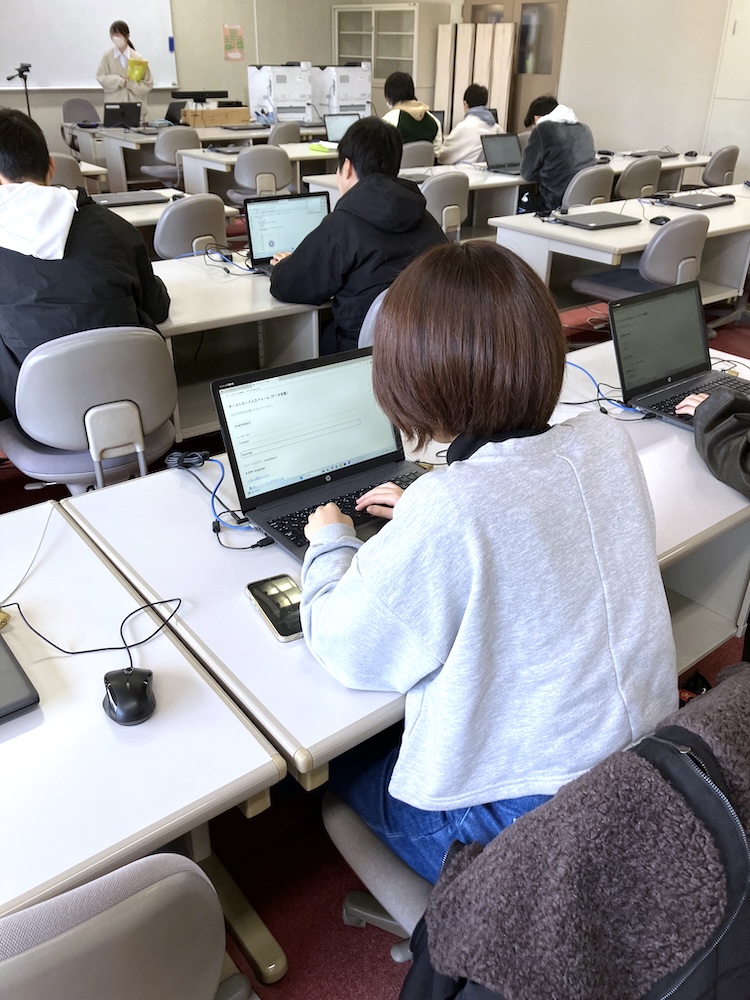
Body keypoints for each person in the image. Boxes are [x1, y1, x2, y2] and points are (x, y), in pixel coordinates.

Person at [299, 240, 678, 883]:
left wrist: (332, 543)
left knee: (344, 763)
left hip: (525, 824)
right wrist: (431, 508)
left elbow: (347, 649)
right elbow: (520, 503)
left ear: (410, 377)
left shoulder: (452, 506)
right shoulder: (606, 440)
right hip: (634, 767)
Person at [0, 108, 170, 421]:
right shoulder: (116, 229)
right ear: (52, 166)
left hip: (40, 418)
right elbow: (157, 309)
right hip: (134, 404)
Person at [269, 116, 446, 355]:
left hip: (361, 356)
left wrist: (287, 265)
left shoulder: (343, 223)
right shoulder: (426, 217)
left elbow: (289, 286)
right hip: (424, 351)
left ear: (347, 167)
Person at [520, 94, 596, 212]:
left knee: (520, 201)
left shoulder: (542, 129)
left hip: (554, 201)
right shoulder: (584, 128)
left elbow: (526, 173)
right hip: (584, 199)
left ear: (536, 119)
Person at [96, 20, 153, 121]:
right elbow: (101, 77)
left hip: (135, 107)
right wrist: (119, 81)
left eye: (118, 34)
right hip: (114, 106)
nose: (115, 37)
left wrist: (130, 84)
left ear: (127, 35)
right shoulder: (107, 56)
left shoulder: (138, 58)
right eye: (113, 34)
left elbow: (147, 85)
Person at [382, 72, 442, 158]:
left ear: (388, 96)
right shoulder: (435, 121)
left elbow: (380, 153)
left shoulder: (388, 121)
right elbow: (437, 154)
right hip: (427, 166)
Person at [437, 83, 500, 165]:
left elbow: (442, 157)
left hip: (463, 171)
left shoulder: (462, 128)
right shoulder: (497, 128)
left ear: (465, 104)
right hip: (485, 172)